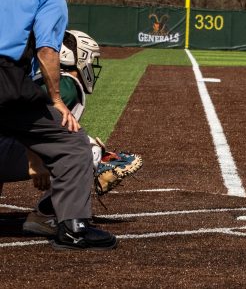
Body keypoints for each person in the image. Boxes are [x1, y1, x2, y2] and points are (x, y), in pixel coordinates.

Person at [0, 0, 117, 250]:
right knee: (73, 146)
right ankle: (73, 228)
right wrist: (54, 99)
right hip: (6, 80)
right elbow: (47, 51)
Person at [0, 29, 143, 237]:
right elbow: (28, 124)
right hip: (8, 151)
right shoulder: (66, 85)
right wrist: (35, 161)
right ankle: (44, 216)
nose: (92, 68)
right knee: (86, 150)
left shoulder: (43, 78)